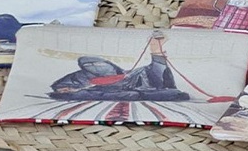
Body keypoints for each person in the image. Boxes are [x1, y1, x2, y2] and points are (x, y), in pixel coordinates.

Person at [49, 33, 190, 102]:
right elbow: (131, 95)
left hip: (132, 80)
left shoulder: (134, 74)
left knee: (154, 74)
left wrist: (155, 49)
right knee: (166, 89)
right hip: (139, 88)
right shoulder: (79, 85)